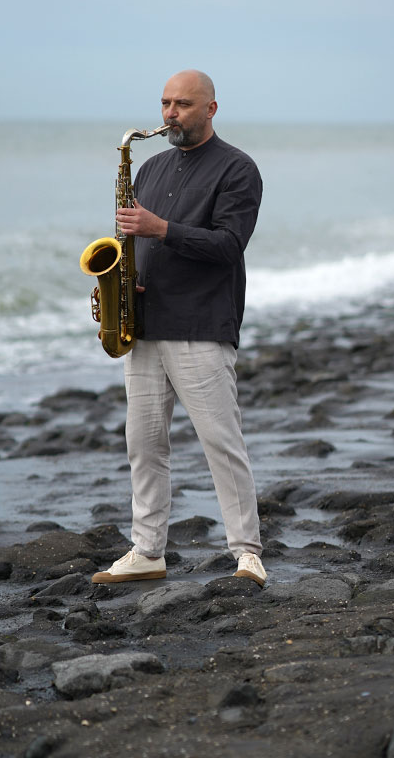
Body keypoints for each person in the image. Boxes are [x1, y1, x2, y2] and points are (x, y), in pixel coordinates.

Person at [91, 69, 266, 587]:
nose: (170, 114)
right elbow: (132, 242)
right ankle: (148, 551)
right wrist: (119, 285)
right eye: (166, 103)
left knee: (221, 444)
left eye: (183, 104)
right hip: (145, 325)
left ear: (211, 109)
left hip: (201, 325)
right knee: (144, 444)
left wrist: (160, 229)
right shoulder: (149, 167)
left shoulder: (238, 169)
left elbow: (228, 246)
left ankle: (247, 553)